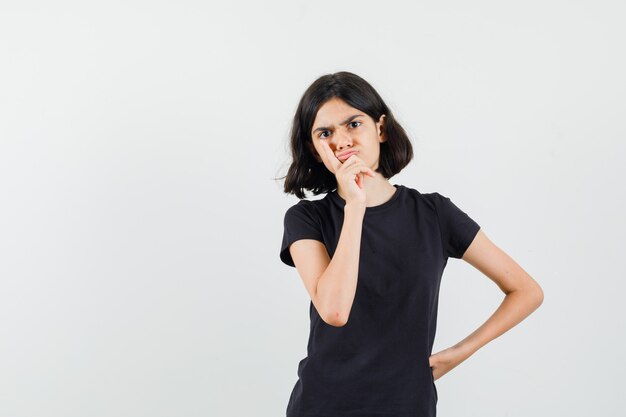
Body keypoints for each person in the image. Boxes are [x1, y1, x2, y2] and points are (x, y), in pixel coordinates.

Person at [278, 71, 544, 417]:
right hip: (323, 404)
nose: (341, 141)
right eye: (324, 133)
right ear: (315, 151)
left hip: (408, 405)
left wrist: (458, 353)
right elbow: (335, 311)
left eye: (353, 124)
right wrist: (355, 205)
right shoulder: (306, 219)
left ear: (381, 128)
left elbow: (526, 291)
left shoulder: (434, 214)